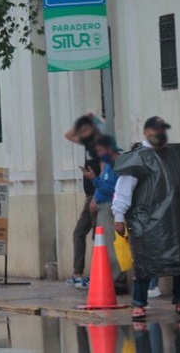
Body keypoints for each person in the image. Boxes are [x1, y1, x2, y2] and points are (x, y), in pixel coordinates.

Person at [112, 116, 180, 320]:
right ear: (146, 133)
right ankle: (139, 303)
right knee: (144, 262)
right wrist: (118, 215)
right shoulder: (137, 158)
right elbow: (124, 189)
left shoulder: (175, 156)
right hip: (146, 222)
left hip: (176, 218)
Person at [64, 114, 106, 289]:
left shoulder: (101, 146)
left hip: (95, 195)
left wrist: (96, 196)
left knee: (94, 235)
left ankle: (92, 274)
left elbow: (104, 172)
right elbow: (68, 135)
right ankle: (79, 274)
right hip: (90, 194)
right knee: (82, 233)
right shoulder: (89, 146)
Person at [83, 135, 128, 294]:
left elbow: (114, 190)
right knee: (103, 247)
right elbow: (102, 186)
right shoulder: (108, 166)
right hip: (103, 208)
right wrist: (95, 197)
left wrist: (94, 179)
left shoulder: (118, 166)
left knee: (112, 247)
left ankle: (118, 281)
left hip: (110, 209)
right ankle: (107, 278)